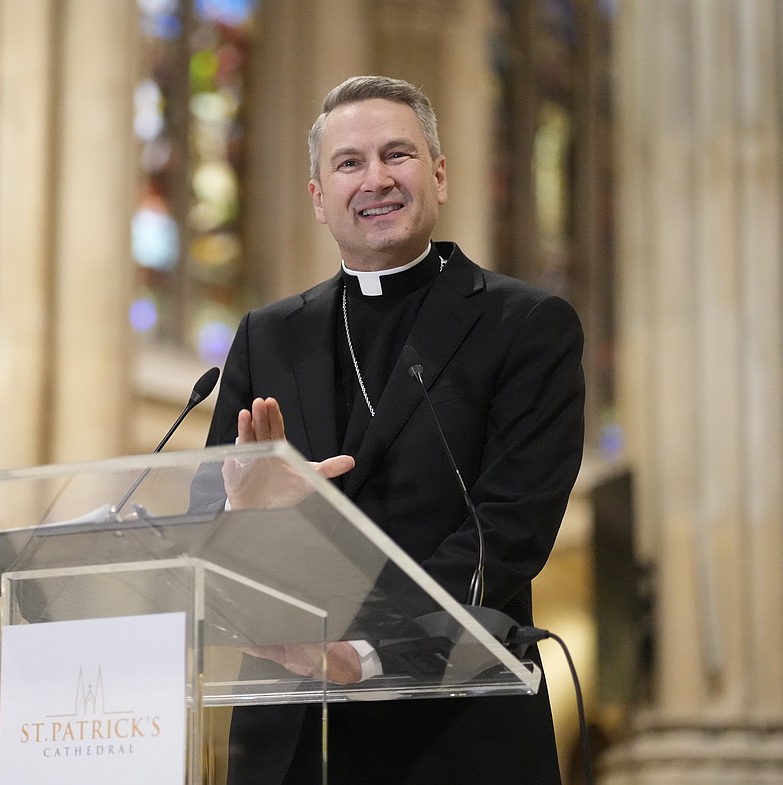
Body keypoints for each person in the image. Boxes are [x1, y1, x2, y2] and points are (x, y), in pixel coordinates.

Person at [203, 75, 585, 785]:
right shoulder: (267, 336)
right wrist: (240, 516)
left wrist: (368, 648)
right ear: (318, 198)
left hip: (457, 726)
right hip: (289, 734)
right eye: (349, 162)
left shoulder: (526, 327)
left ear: (438, 175)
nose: (375, 179)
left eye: (397, 155)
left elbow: (506, 529)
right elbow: (206, 523)